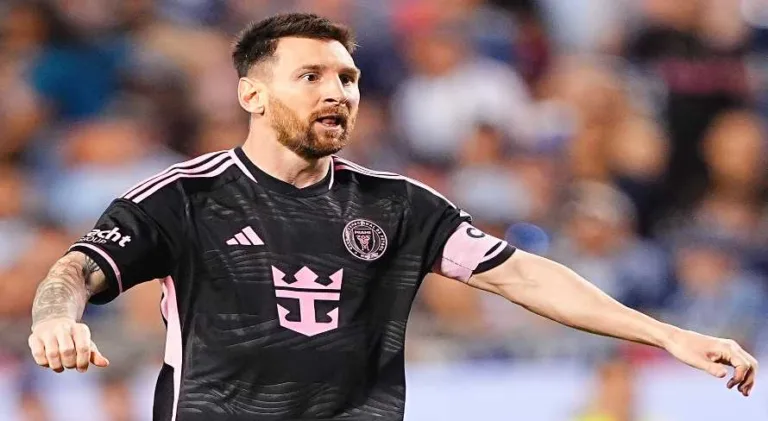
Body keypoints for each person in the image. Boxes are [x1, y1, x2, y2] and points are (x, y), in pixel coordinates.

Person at [27, 13, 757, 421]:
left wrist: (668, 333)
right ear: (252, 95)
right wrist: (56, 318)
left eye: (348, 77)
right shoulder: (186, 197)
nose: (338, 92)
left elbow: (522, 275)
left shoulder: (396, 204)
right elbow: (77, 269)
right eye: (311, 75)